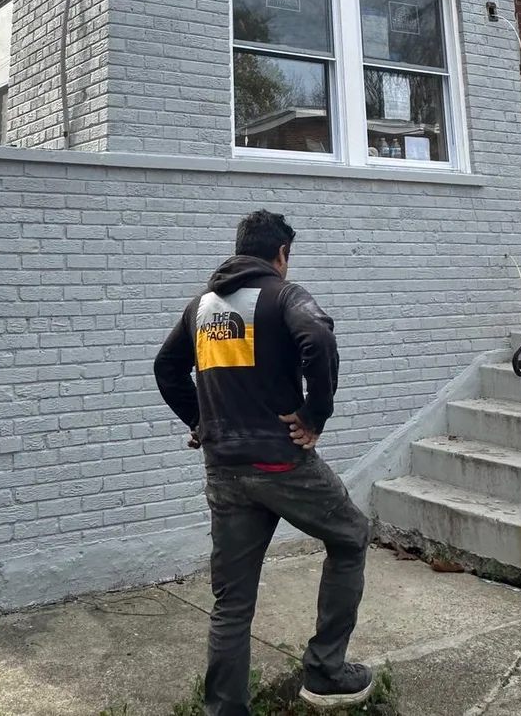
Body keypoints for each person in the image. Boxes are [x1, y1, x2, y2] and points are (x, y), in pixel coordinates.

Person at [154, 209, 371, 716]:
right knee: (351, 536)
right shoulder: (284, 295)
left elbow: (166, 368)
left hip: (224, 470)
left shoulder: (202, 306)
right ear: (281, 254)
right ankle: (326, 671)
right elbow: (318, 338)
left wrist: (202, 421)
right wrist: (314, 416)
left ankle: (225, 709)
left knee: (232, 601)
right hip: (280, 465)